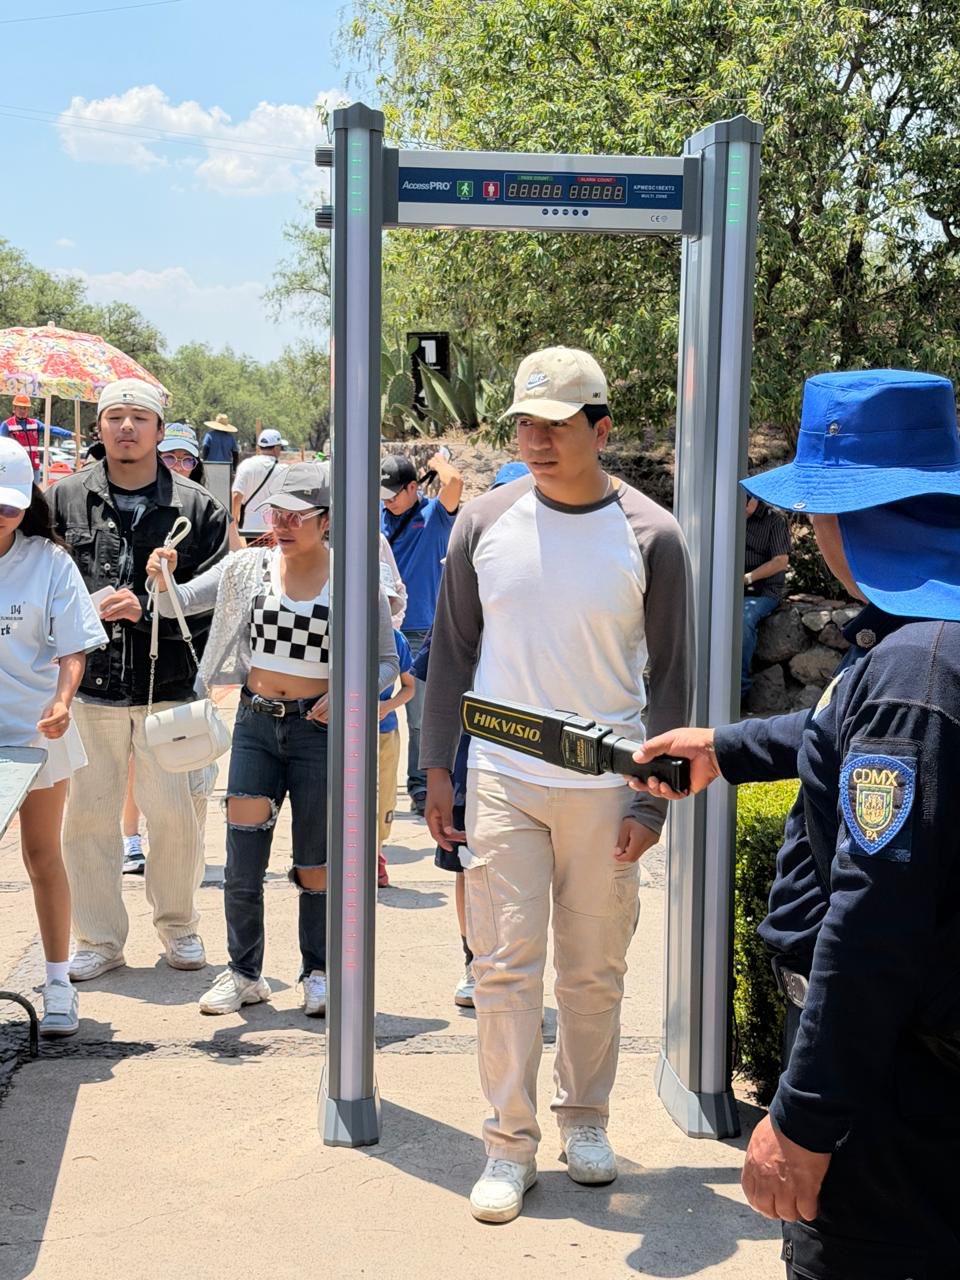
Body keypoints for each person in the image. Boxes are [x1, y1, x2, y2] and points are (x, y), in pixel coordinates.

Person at [630, 369, 960, 1278]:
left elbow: (872, 922)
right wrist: (729, 747)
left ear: (846, 516)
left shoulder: (915, 669)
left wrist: (805, 1122)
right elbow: (843, 733)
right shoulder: (927, 640)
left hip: (893, 1107)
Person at [420, 346, 695, 1223]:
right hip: (502, 774)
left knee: (594, 969)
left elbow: (674, 680)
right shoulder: (482, 522)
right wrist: (438, 771)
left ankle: (587, 1121)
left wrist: (652, 799)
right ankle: (507, 1143)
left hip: (607, 785)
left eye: (557, 425)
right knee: (502, 969)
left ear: (601, 428)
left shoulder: (653, 534)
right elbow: (452, 651)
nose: (536, 441)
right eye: (524, 424)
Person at [147, 463, 399, 1018]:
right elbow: (174, 603)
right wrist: (160, 573)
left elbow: (387, 663)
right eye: (273, 513)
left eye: (295, 516)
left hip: (319, 730)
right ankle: (243, 972)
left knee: (317, 863)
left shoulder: (358, 580)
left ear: (326, 520)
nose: (281, 525)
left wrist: (351, 691)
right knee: (241, 860)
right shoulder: (247, 568)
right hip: (256, 722)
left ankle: (319, 972)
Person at [50, 378, 230, 981]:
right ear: (98, 427)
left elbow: (219, 600)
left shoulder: (197, 507)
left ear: (159, 430)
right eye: (115, 417)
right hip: (92, 688)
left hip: (169, 689)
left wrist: (154, 607)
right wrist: (85, 610)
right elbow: (45, 584)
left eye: (138, 418)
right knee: (89, 818)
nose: (126, 428)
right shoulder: (64, 499)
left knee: (176, 816)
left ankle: (179, 928)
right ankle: (99, 938)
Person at [415, 460, 531, 1010]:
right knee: (469, 864)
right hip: (472, 755)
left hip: (546, 758)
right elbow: (430, 668)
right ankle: (475, 959)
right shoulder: (464, 592)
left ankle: (522, 967)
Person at [0, 439, 107, 1037]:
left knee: (42, 855)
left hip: (34, 732)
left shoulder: (50, 561)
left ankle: (59, 982)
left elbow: (72, 648)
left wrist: (63, 702)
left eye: (10, 507)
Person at [121, 422, 241, 877]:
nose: (178, 466)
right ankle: (132, 839)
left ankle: (181, 852)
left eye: (186, 458)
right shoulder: (137, 502)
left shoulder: (205, 512)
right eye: (169, 457)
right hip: (130, 654)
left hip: (187, 656)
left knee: (187, 757)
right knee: (138, 758)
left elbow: (235, 569)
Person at [381, 448, 463, 816]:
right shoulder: (376, 519)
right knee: (374, 711)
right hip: (380, 626)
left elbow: (456, 483)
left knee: (420, 717)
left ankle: (418, 788)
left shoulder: (434, 517)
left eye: (394, 493)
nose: (388, 501)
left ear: (414, 487)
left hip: (421, 631)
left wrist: (438, 463)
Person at [741, 495, 791, 699]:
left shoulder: (775, 519)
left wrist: (747, 578)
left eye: (743, 508)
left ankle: (739, 690)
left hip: (764, 590)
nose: (740, 515)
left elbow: (780, 561)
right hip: (727, 589)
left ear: (753, 500)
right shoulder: (726, 515)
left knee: (742, 621)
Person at [377, 630, 415, 888]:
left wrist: (387, 707)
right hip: (336, 733)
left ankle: (376, 855)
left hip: (383, 732)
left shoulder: (395, 639)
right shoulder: (336, 630)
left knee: (383, 796)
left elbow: (409, 686)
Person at [232, 428, 287, 539]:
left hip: (249, 528)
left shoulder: (246, 465)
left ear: (259, 447)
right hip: (273, 529)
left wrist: (233, 523)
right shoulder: (283, 470)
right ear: (276, 448)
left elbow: (236, 496)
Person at [2, 394, 72, 478]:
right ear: (14, 409)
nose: (23, 411)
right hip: (17, 467)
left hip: (34, 466)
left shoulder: (34, 423)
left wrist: (70, 434)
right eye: (20, 408)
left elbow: (51, 429)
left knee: (35, 491)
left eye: (25, 408)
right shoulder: (7, 425)